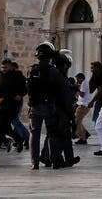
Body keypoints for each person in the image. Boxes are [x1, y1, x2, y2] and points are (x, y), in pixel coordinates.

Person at [27, 42, 66, 170]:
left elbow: (29, 88)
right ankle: (54, 161)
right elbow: (61, 89)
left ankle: (35, 162)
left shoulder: (32, 70)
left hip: (35, 107)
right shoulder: (54, 71)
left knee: (35, 134)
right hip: (50, 105)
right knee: (52, 134)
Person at [9, 62, 30, 152]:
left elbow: (25, 89)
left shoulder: (20, 77)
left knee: (15, 121)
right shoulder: (14, 77)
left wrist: (20, 95)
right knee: (15, 121)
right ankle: (25, 137)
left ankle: (23, 137)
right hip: (12, 101)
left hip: (16, 102)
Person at [73, 73, 91, 145]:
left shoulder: (84, 83)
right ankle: (85, 134)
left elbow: (82, 95)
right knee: (78, 121)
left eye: (77, 79)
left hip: (83, 106)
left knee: (77, 121)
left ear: (81, 78)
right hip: (83, 105)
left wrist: (76, 89)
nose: (77, 81)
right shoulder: (85, 83)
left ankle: (83, 138)